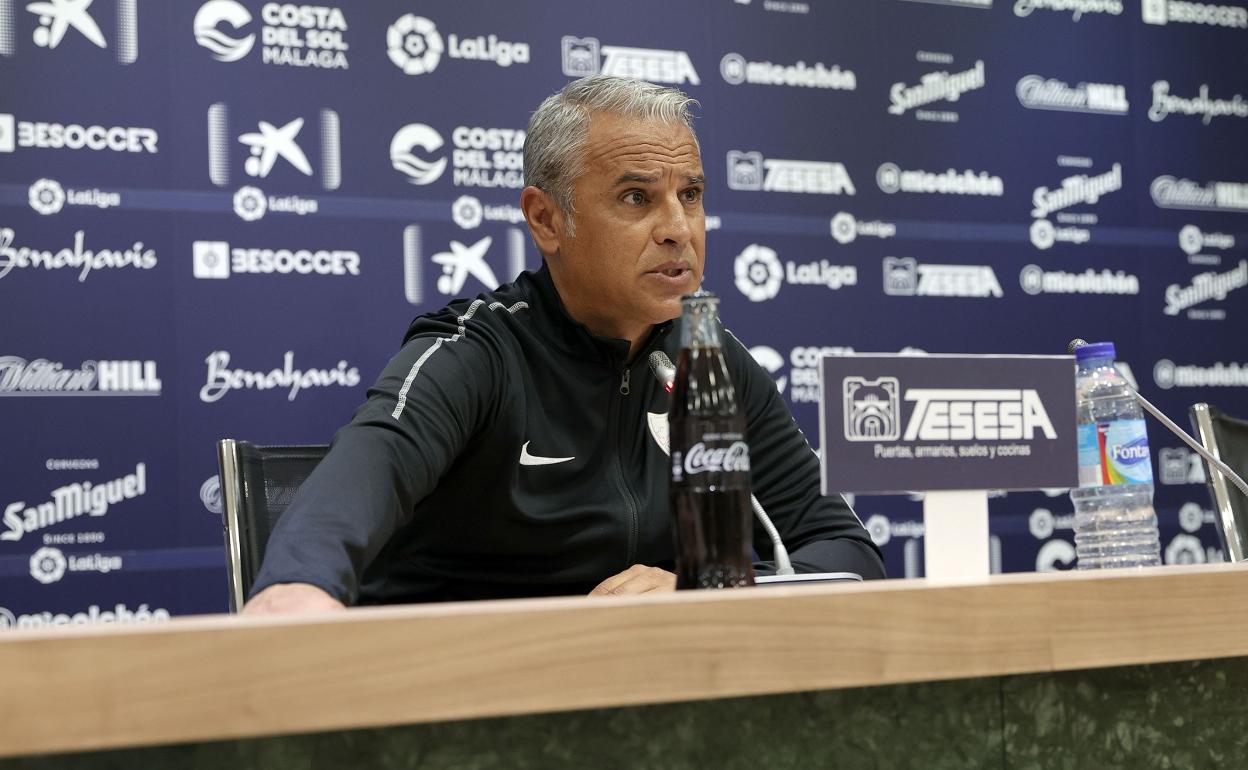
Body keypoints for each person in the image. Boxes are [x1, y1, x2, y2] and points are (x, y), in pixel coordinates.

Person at [244, 76, 885, 614]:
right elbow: (373, 462)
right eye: (637, 197)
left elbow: (844, 549)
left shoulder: (706, 361)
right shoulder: (480, 350)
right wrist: (297, 587)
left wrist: (712, 588)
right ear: (547, 220)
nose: (678, 230)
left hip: (646, 705)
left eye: (690, 196)